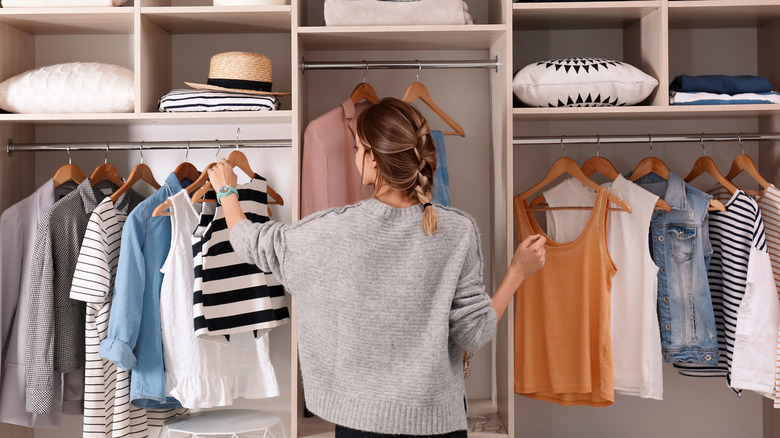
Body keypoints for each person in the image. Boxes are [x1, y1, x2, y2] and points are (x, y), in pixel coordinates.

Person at [207, 97, 545, 438]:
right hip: (438, 424)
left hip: (360, 425)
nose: (355, 157)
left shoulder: (332, 229)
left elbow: (250, 241)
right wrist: (517, 271)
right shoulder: (458, 230)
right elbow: (474, 333)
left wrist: (227, 192)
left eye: (357, 148)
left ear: (372, 158)